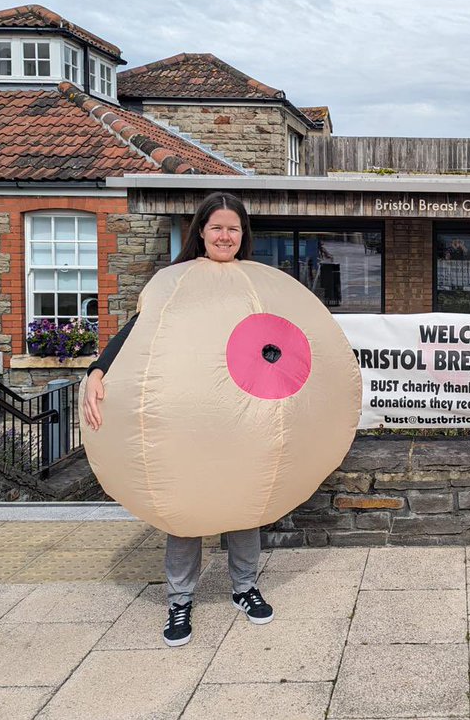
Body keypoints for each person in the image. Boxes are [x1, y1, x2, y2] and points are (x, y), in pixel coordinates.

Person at [81, 191, 275, 647]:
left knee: (245, 503)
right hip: (186, 416)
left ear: (243, 235)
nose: (225, 235)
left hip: (239, 416)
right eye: (217, 227)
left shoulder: (259, 285)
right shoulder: (174, 282)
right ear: (201, 233)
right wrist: (97, 369)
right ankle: (180, 599)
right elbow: (136, 331)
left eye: (233, 228)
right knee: (182, 507)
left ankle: (244, 588)